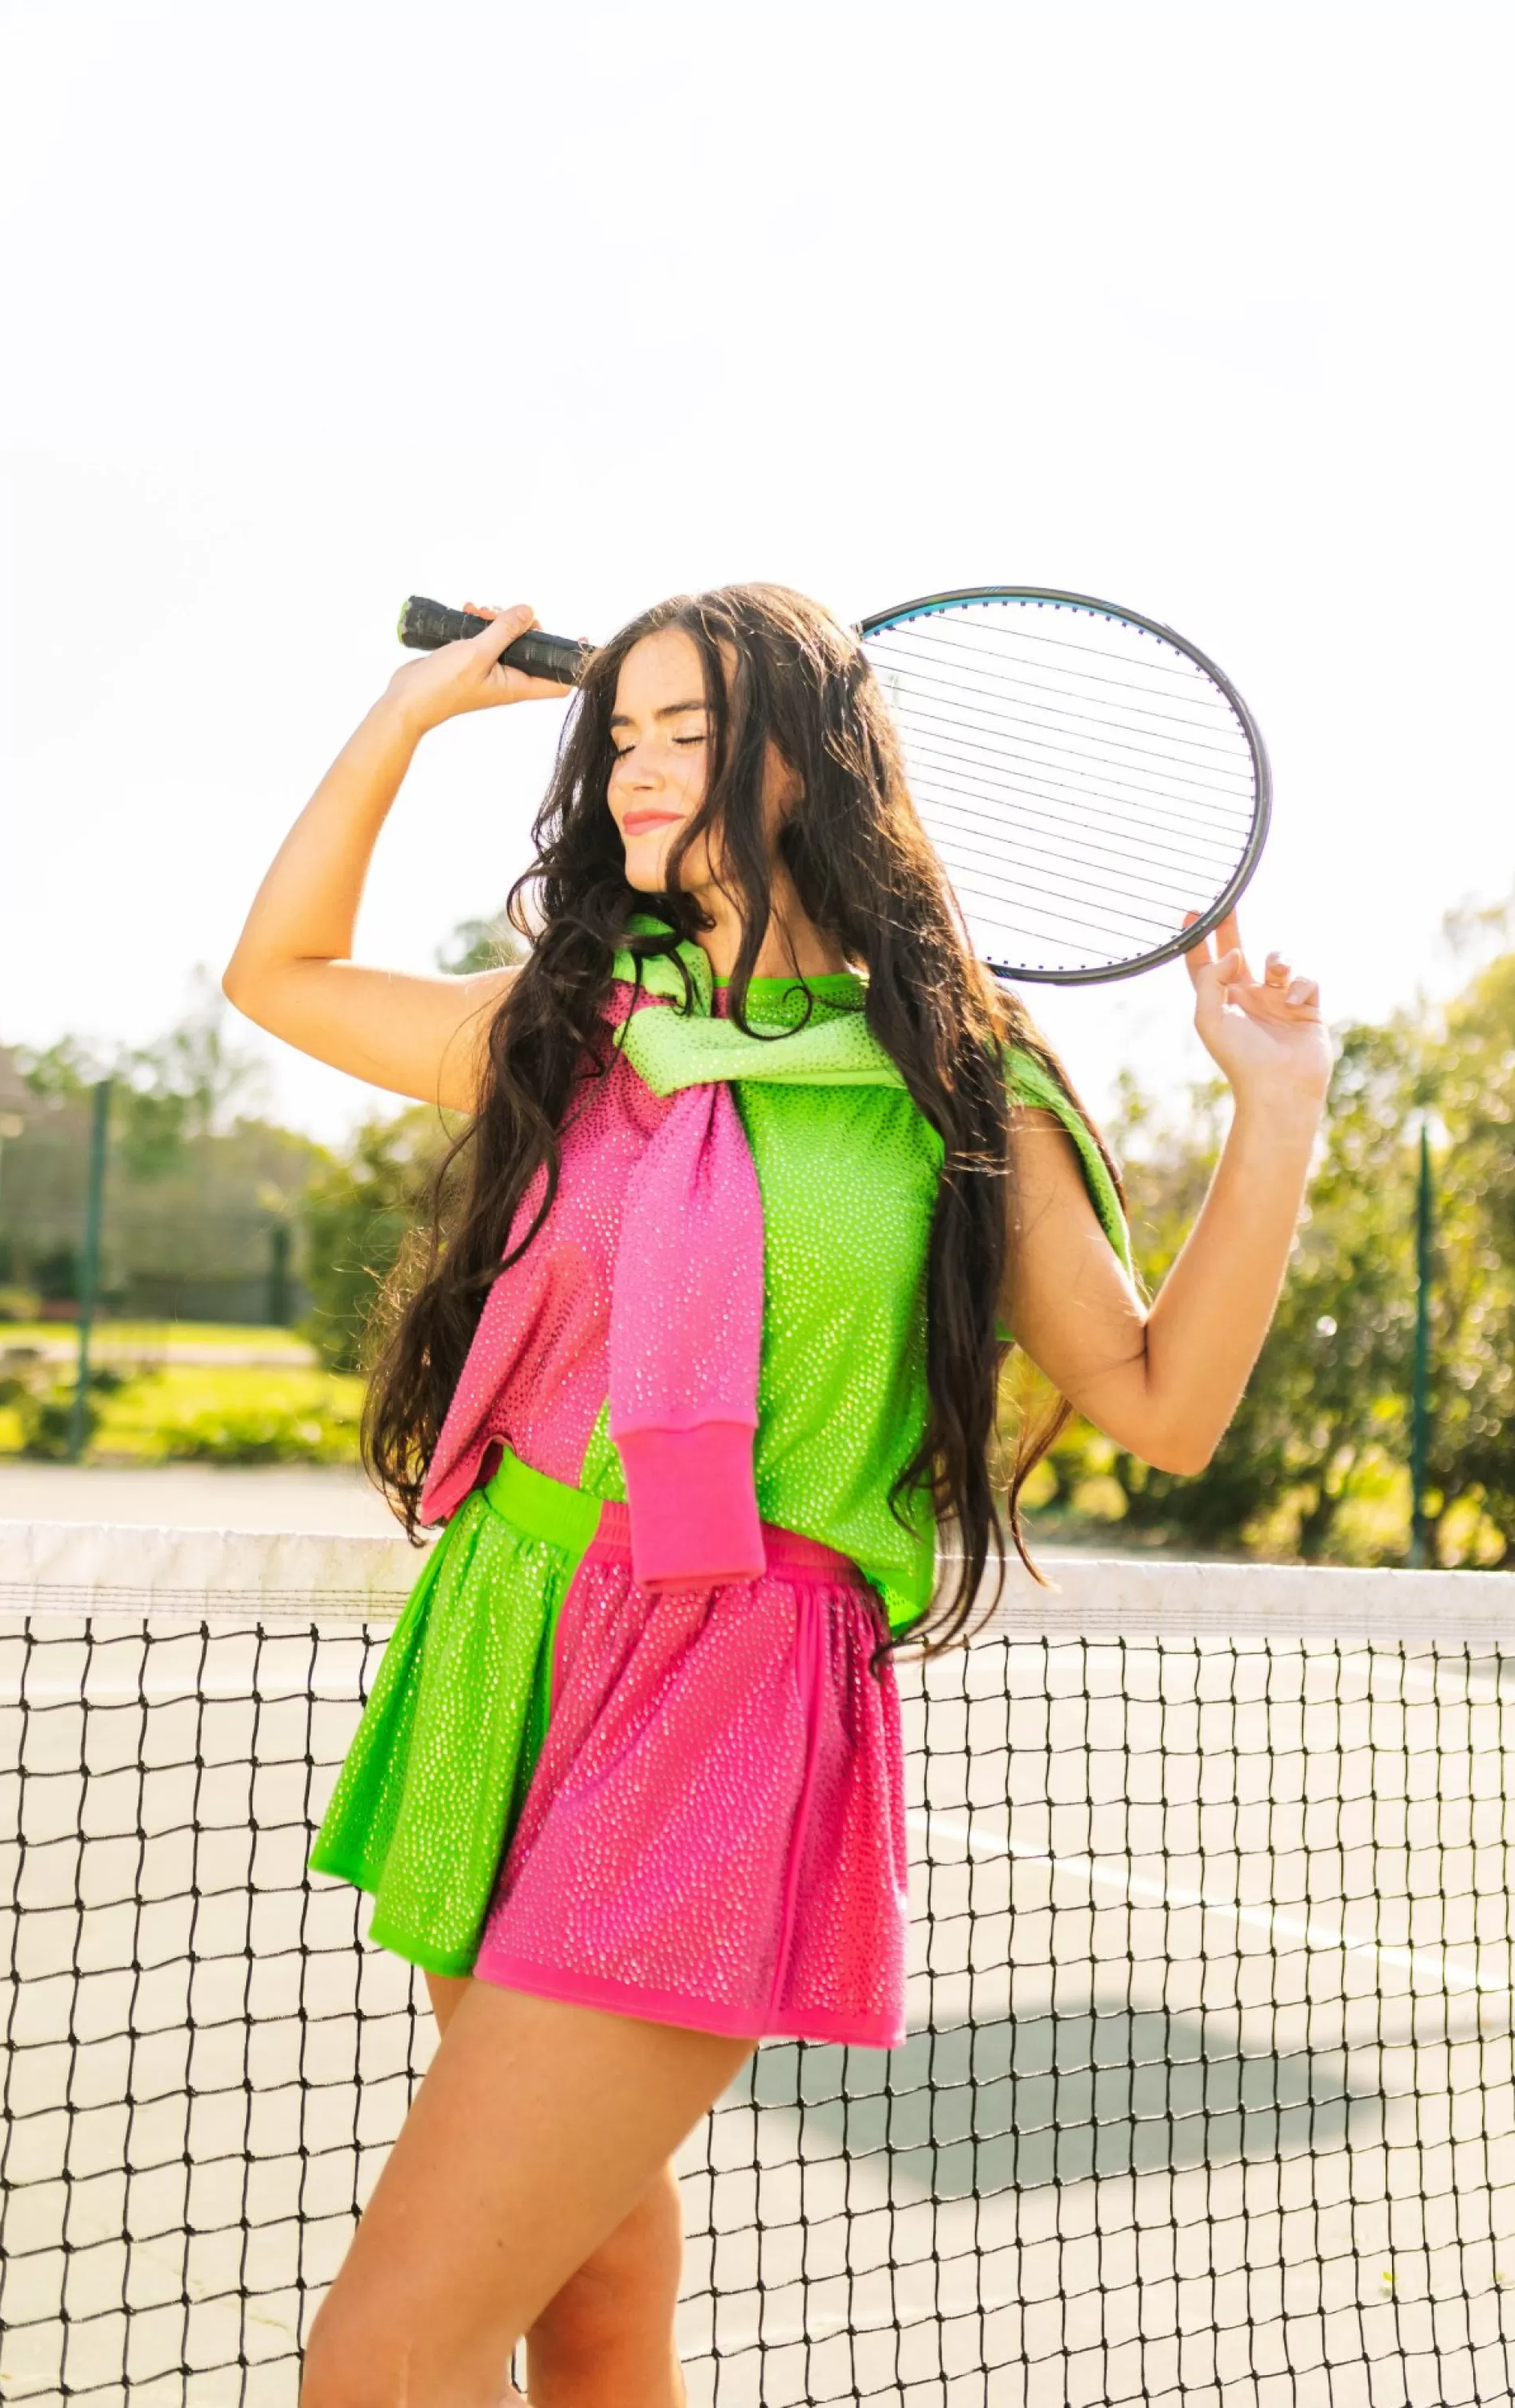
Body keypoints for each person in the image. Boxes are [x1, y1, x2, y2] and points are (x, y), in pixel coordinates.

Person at [222, 583, 1330, 2408]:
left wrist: (1273, 1115)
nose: (641, 775)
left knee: (383, 2349)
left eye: (692, 734)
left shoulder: (957, 1080)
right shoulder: (575, 1023)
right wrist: (410, 716)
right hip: (510, 1644)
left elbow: (1164, 1400)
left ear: (807, 765)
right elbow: (283, 977)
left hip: (727, 1701)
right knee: (593, 2286)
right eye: (624, 735)